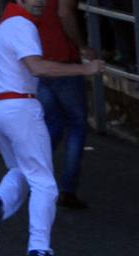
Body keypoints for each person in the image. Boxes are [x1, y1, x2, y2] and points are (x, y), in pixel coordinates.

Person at [0, 0, 102, 256]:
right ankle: (39, 250)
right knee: (44, 182)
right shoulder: (22, 24)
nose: (41, 1)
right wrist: (85, 69)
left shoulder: (2, 24)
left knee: (21, 169)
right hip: (18, 107)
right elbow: (37, 67)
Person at [36, 0, 93, 209]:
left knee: (53, 125)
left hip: (39, 59)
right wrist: (82, 46)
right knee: (76, 124)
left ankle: (35, 178)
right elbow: (64, 12)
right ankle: (68, 189)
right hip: (64, 59)